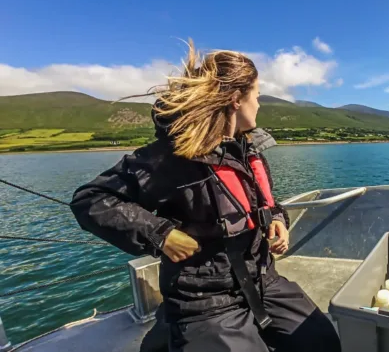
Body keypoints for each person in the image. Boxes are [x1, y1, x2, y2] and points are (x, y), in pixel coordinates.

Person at [69, 40, 341, 352]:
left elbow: (262, 203)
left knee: (323, 342)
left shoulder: (246, 149)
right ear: (237, 99)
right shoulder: (170, 158)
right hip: (206, 299)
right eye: (257, 95)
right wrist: (161, 234)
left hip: (263, 280)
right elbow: (92, 199)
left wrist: (277, 219)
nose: (260, 104)